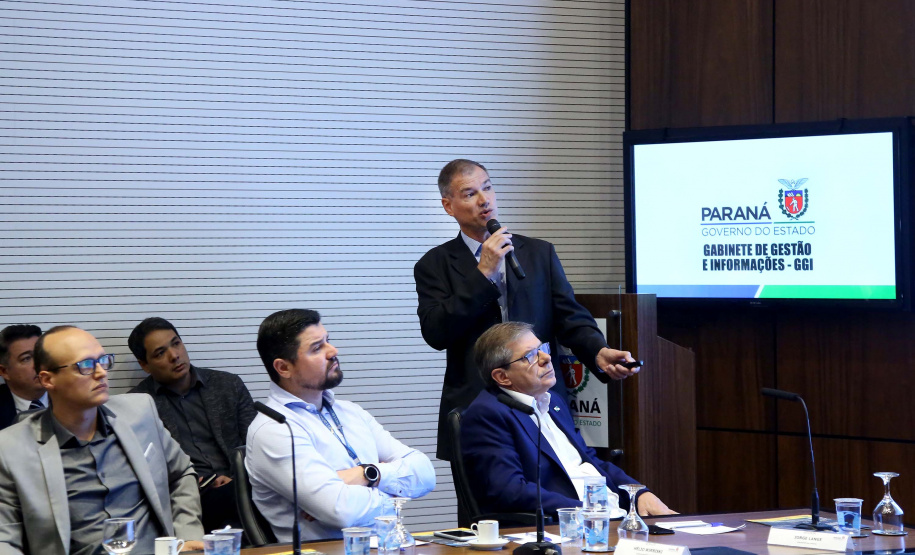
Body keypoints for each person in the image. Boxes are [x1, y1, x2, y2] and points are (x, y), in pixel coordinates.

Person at [415, 158, 640, 460]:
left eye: (488, 188)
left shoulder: (537, 253)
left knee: (557, 486)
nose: (484, 200)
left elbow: (569, 316)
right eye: (470, 194)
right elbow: (436, 332)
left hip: (542, 402)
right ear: (448, 205)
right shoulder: (434, 265)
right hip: (475, 407)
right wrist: (483, 274)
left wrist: (598, 351)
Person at [0, 325, 204, 554]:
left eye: (103, 361)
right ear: (48, 379)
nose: (101, 373)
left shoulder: (140, 412)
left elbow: (181, 473)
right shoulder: (11, 449)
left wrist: (186, 537)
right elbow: (4, 539)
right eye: (85, 365)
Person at [246, 309, 436, 542]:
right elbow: (341, 512)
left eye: (328, 340)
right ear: (284, 368)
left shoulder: (350, 412)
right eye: (317, 348)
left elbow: (425, 474)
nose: (333, 351)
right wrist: (394, 495)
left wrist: (367, 474)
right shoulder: (275, 429)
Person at [461, 322, 675, 518]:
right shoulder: (488, 414)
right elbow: (510, 490)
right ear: (502, 377)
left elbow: (589, 461)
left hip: (609, 515)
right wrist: (588, 511)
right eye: (530, 356)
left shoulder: (553, 401)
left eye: (542, 348)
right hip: (568, 524)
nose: (546, 358)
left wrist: (638, 493)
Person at [127, 317, 256, 531]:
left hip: (240, 484)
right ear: (145, 365)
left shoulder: (228, 385)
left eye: (176, 343)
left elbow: (254, 444)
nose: (174, 355)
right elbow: (146, 467)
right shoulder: (137, 405)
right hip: (189, 495)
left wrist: (236, 477)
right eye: (160, 353)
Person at [0, 324, 48, 430]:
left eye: (41, 355)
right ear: (4, 371)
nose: (39, 364)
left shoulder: (70, 396)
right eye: (26, 358)